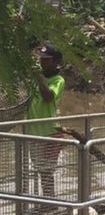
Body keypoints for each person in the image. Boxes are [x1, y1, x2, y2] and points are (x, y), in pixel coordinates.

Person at [26, 43, 65, 199]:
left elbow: (48, 98)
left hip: (50, 133)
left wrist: (39, 78)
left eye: (46, 60)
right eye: (41, 59)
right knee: (40, 169)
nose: (42, 62)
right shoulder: (35, 79)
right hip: (33, 132)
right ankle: (46, 202)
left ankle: (50, 203)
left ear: (56, 62)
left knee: (47, 171)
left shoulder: (58, 80)